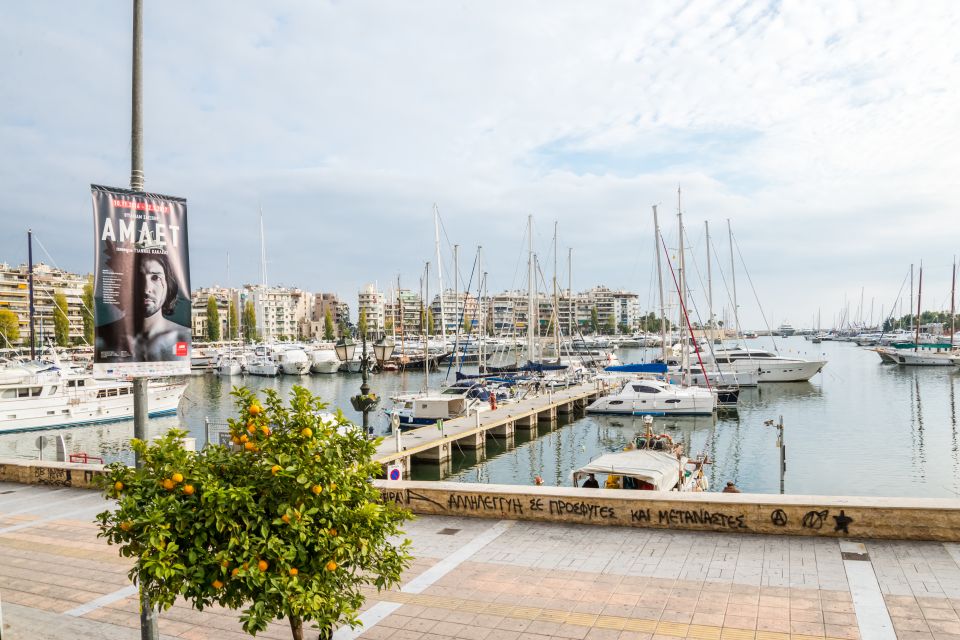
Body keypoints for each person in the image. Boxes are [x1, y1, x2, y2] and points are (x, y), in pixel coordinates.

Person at [96, 252, 190, 363]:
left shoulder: (184, 338)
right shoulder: (100, 339)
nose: (146, 289)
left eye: (155, 277)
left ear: (168, 284)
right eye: (138, 278)